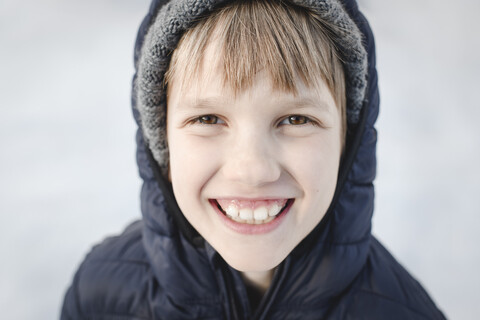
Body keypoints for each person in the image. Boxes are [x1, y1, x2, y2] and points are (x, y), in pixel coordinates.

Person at [61, 0, 446, 319]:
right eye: (208, 119)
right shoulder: (100, 294)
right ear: (161, 141)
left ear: (349, 140)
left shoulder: (402, 311)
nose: (253, 170)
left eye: (296, 119)